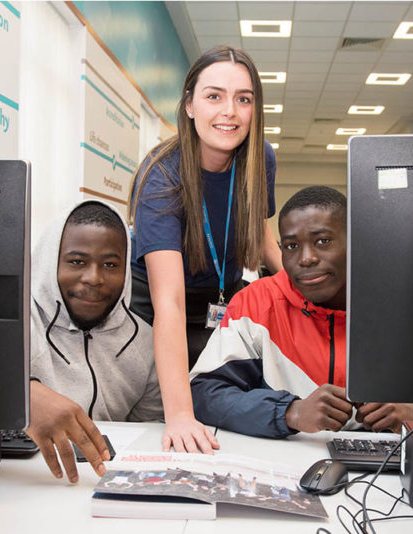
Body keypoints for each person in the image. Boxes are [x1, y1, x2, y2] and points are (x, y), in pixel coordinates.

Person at [128, 45, 283, 453]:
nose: (229, 111)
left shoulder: (260, 158)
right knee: (180, 413)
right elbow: (170, 302)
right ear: (190, 106)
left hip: (220, 299)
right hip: (158, 305)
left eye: (243, 99)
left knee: (232, 404)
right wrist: (179, 415)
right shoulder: (160, 175)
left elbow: (260, 230)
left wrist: (299, 284)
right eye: (214, 96)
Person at [189, 186, 413, 438]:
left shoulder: (403, 307)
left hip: (382, 471)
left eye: (323, 241)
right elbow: (204, 393)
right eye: (291, 245)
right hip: (282, 465)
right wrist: (290, 412)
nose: (306, 258)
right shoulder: (257, 302)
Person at [27, 200, 163, 482]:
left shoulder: (146, 343)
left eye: (110, 265)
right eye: (77, 262)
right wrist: (21, 397)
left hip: (103, 484)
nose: (94, 278)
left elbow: (151, 436)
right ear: (49, 260)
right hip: (20, 482)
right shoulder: (16, 322)